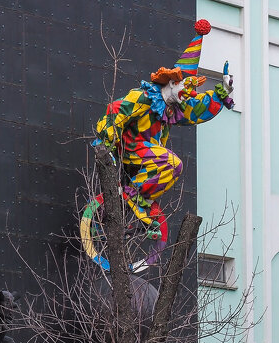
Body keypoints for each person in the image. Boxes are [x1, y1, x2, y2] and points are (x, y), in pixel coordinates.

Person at [93, 19, 233, 231]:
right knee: (171, 163)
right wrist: (108, 144)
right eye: (187, 88)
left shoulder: (175, 106)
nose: (190, 94)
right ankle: (135, 196)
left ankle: (136, 201)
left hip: (146, 154)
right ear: (174, 82)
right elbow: (116, 110)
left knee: (172, 167)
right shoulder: (146, 97)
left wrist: (222, 92)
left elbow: (198, 108)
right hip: (132, 147)